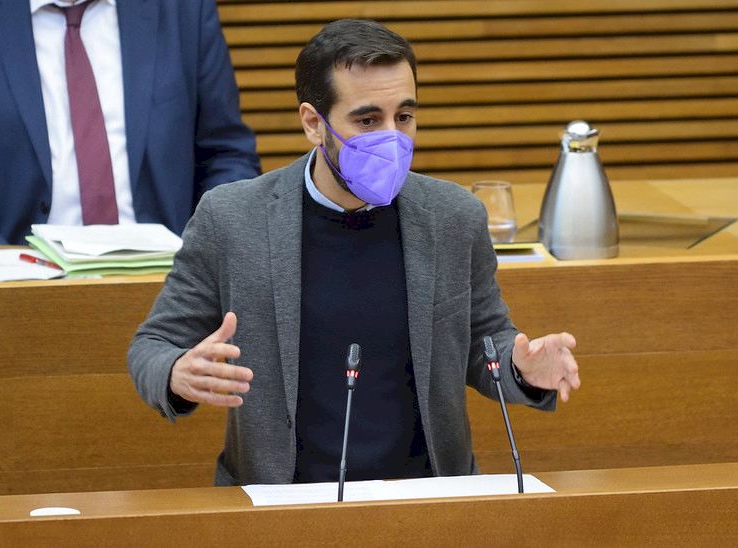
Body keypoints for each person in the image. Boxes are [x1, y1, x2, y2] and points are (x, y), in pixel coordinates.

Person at [128, 19, 580, 486]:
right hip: (281, 501)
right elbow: (152, 346)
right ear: (313, 123)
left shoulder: (453, 217)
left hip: (428, 496)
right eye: (367, 121)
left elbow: (483, 343)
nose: (392, 137)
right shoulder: (231, 218)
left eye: (404, 117)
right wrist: (176, 373)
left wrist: (522, 368)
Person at [0, 0, 260, 245]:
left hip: (165, 277)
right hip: (13, 277)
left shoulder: (181, 9)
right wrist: (1, 268)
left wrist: (198, 257)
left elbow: (227, 154)